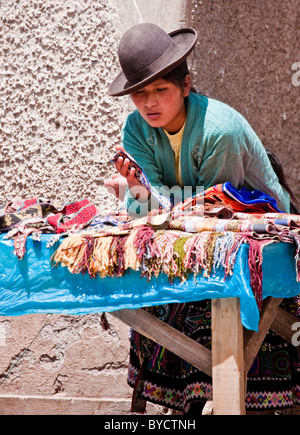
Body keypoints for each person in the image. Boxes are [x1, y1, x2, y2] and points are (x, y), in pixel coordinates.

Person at [105, 23, 299, 414]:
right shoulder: (135, 131)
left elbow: (215, 209)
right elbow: (153, 209)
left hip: (258, 236)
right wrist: (136, 191)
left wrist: (143, 198)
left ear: (186, 85)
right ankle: (189, 405)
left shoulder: (218, 130)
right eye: (140, 93)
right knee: (153, 294)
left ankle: (218, 400)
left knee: (208, 301)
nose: (150, 103)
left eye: (162, 89)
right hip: (193, 235)